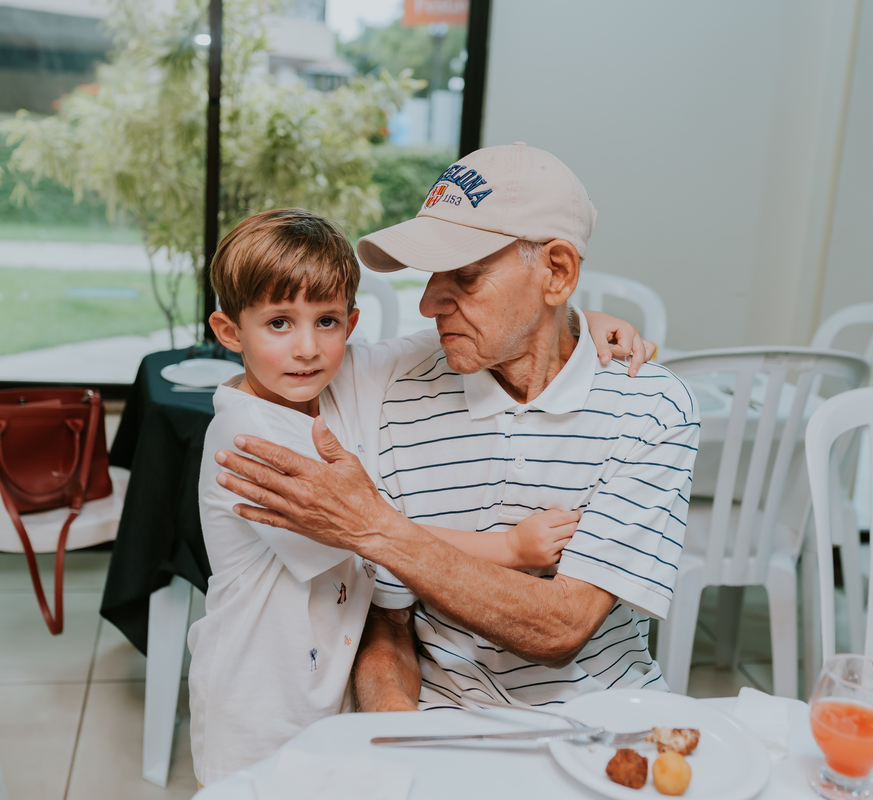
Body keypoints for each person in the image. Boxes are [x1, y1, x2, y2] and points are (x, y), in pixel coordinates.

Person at [212, 144, 700, 713]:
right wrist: (399, 733)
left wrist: (375, 528)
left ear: (557, 272)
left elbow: (562, 628)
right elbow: (388, 619)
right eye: (429, 275)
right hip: (440, 723)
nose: (427, 304)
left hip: (603, 719)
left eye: (464, 277)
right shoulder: (397, 386)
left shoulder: (652, 408)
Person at [187, 208, 652, 783]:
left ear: (351, 325)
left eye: (326, 321)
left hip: (331, 689)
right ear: (230, 331)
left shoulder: (344, 374)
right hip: (257, 700)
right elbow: (357, 531)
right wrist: (508, 548)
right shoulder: (248, 439)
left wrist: (574, 321)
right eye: (279, 323)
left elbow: (493, 332)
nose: (307, 348)